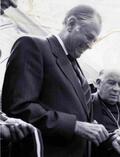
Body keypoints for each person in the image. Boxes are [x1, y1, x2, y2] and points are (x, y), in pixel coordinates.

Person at [2, 5, 110, 157]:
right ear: (71, 24)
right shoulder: (33, 46)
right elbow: (18, 108)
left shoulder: (77, 68)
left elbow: (85, 127)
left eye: (94, 40)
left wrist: (110, 140)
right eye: (88, 37)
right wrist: (75, 126)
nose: (91, 46)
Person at [91, 69, 120, 157]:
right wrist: (111, 138)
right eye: (111, 83)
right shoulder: (87, 104)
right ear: (98, 83)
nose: (116, 89)